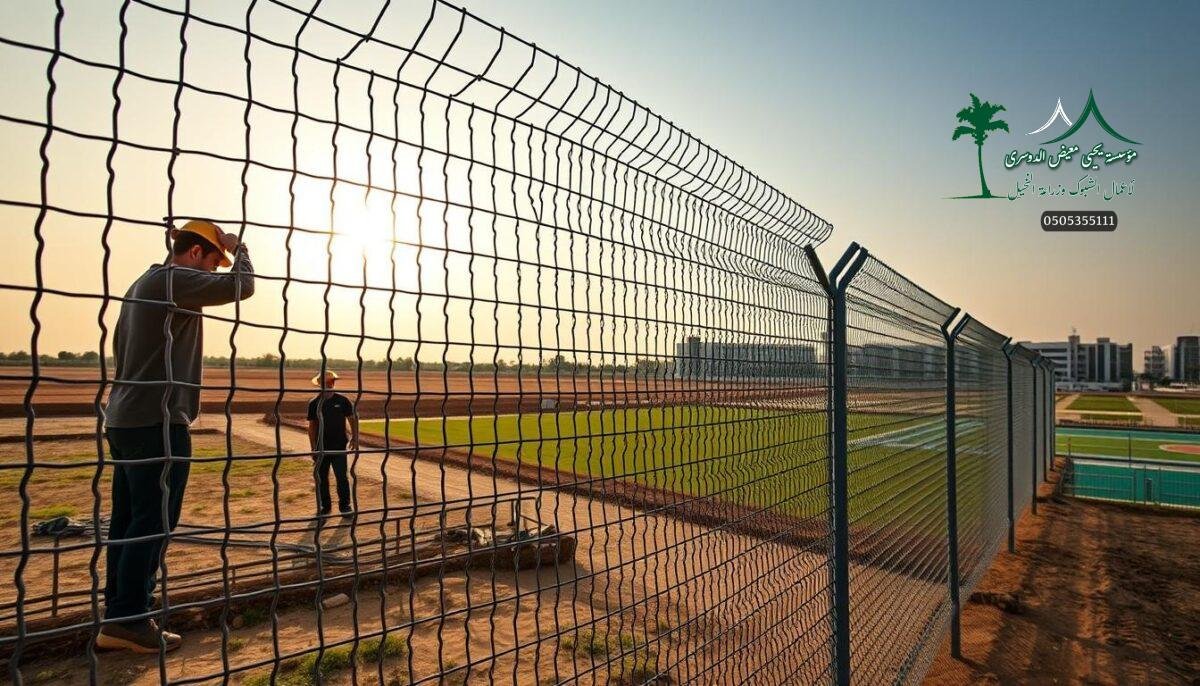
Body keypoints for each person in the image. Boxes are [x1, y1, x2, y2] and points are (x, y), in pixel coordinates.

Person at [98, 220, 253, 653]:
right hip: (157, 422)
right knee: (153, 523)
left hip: (126, 419)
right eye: (212, 264)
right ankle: (131, 618)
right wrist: (239, 248)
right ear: (196, 254)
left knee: (129, 522)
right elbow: (242, 287)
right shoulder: (173, 279)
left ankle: (119, 616)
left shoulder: (144, 282)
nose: (211, 276)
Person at [307, 370, 358, 516]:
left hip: (339, 447)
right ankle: (325, 507)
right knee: (322, 478)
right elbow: (312, 427)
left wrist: (355, 437)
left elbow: (352, 419)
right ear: (320, 384)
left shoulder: (343, 401)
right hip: (321, 448)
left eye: (331, 382)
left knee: (342, 477)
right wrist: (313, 448)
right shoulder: (314, 403)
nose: (329, 384)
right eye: (326, 382)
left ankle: (345, 506)